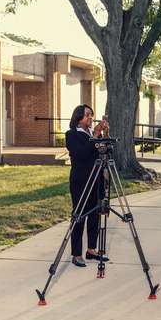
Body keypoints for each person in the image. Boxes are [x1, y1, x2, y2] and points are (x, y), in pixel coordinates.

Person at [65, 104, 109, 268]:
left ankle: (91, 249)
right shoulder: (71, 135)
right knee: (80, 215)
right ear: (78, 118)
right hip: (81, 181)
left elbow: (104, 151)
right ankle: (76, 254)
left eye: (92, 115)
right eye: (87, 115)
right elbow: (82, 154)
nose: (91, 118)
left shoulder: (92, 133)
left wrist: (105, 134)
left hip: (96, 180)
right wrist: (96, 134)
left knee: (95, 214)